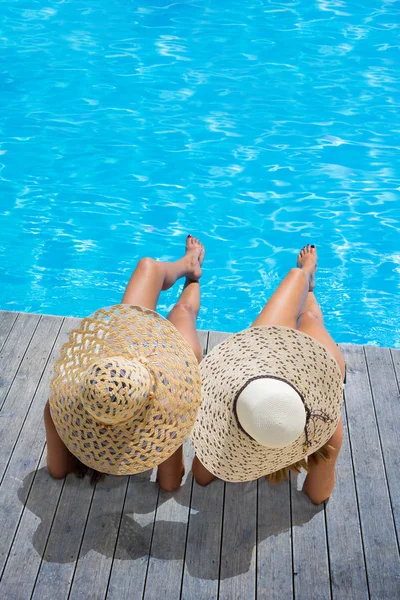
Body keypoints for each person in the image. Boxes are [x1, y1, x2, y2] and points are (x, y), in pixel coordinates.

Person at [44, 235, 205, 492]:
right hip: (156, 375)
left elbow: (57, 470)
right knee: (181, 311)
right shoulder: (163, 413)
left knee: (149, 269)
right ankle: (193, 276)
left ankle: (188, 264)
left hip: (125, 365)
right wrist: (171, 430)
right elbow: (171, 482)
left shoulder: (64, 404)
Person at [191, 244, 345, 505]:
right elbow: (318, 496)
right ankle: (307, 278)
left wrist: (222, 444)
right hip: (294, 378)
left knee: (298, 300)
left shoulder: (238, 419)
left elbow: (201, 476)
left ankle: (305, 275)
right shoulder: (325, 425)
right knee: (308, 317)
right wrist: (333, 445)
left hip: (260, 379)